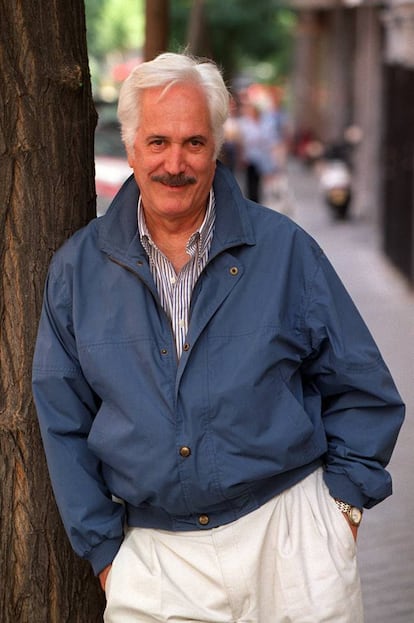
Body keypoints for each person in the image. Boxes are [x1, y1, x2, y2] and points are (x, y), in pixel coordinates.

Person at [32, 52, 405, 623]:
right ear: (131, 146)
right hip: (156, 562)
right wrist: (106, 554)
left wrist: (341, 514)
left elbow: (364, 389)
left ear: (217, 147)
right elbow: (63, 421)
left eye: (193, 143)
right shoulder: (77, 272)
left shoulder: (285, 251)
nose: (174, 163)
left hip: (291, 540)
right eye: (157, 142)